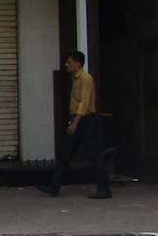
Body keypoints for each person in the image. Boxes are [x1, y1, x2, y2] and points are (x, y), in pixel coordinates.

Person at [38, 51, 111, 199]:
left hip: (87, 121)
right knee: (65, 155)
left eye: (69, 62)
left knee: (95, 156)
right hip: (77, 120)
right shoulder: (75, 79)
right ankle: (54, 187)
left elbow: (84, 103)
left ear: (78, 63)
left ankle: (104, 189)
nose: (66, 65)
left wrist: (75, 123)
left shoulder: (86, 79)